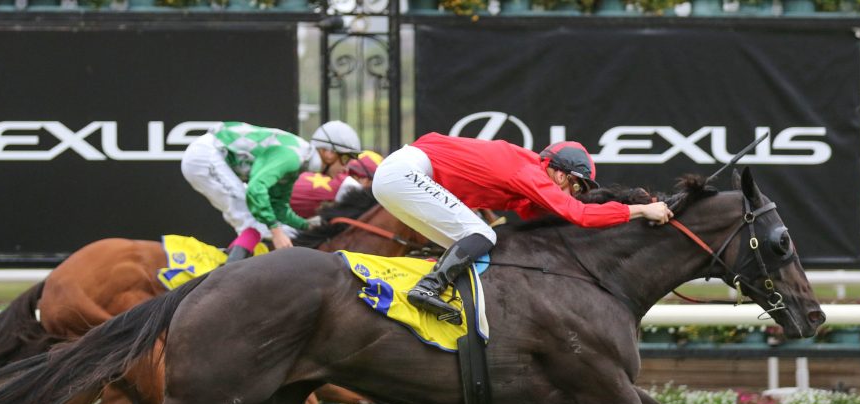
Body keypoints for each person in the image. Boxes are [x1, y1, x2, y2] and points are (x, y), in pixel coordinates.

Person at [372, 134, 673, 324]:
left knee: (471, 245)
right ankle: (427, 288)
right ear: (559, 173)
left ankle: (428, 291)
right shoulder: (530, 171)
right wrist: (641, 210)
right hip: (405, 173)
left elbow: (533, 212)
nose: (573, 194)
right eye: (575, 186)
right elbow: (579, 214)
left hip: (400, 175)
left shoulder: (527, 170)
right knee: (483, 235)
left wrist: (624, 202)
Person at [181, 120, 361, 261]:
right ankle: (226, 280)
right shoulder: (293, 157)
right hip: (205, 155)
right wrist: (276, 231)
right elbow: (255, 189)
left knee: (279, 229)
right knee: (253, 222)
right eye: (346, 159)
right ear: (328, 153)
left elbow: (278, 207)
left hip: (212, 154)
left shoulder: (300, 160)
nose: (346, 168)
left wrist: (306, 226)